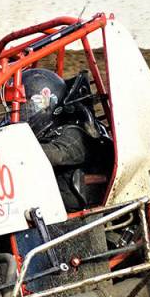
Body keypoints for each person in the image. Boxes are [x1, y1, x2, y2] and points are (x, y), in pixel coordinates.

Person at [21, 68, 95, 211]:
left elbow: (56, 155)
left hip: (80, 214)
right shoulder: (44, 135)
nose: (23, 115)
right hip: (50, 212)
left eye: (28, 109)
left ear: (50, 105)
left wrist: (13, 148)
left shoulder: (75, 132)